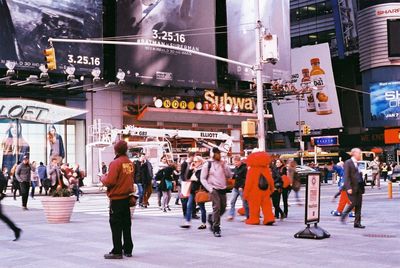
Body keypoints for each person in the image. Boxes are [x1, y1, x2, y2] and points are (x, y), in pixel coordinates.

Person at [101, 140, 134, 259]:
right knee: (126, 224)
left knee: (115, 225)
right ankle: (128, 248)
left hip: (116, 198)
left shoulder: (116, 163)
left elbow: (110, 181)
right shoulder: (129, 163)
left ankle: (117, 251)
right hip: (126, 198)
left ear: (116, 150)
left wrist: (103, 178)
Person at [200, 148, 232, 237]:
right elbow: (202, 178)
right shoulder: (208, 164)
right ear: (212, 154)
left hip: (223, 188)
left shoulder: (223, 163)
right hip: (213, 189)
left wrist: (225, 166)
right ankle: (216, 228)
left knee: (223, 208)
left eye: (219, 153)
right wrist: (210, 189)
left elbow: (229, 175)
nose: (219, 155)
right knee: (217, 208)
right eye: (217, 154)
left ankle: (212, 218)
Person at [243, 151, 275, 226]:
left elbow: (248, 183)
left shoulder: (251, 170)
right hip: (265, 191)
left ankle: (254, 219)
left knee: (254, 206)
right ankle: (269, 218)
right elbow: (270, 180)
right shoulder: (266, 169)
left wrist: (246, 193)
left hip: (254, 192)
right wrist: (272, 189)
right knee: (267, 205)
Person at [341, 148, 366, 228]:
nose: (360, 155)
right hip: (352, 187)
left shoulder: (357, 163)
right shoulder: (348, 162)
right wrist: (348, 187)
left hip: (359, 187)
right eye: (359, 153)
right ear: (354, 153)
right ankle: (344, 214)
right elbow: (346, 176)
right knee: (354, 203)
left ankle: (357, 223)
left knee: (359, 205)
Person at [181, 156, 207, 229]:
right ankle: (187, 222)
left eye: (196, 161)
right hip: (193, 190)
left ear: (200, 162)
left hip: (199, 191)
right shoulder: (194, 169)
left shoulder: (203, 169)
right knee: (189, 205)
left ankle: (203, 223)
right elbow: (187, 177)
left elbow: (200, 180)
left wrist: (195, 177)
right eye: (194, 161)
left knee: (202, 207)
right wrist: (190, 169)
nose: (194, 163)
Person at [227, 156, 248, 221]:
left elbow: (246, 179)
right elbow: (235, 176)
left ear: (239, 161)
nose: (235, 163)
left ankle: (247, 216)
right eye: (234, 162)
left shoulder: (244, 168)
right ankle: (231, 214)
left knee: (244, 202)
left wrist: (242, 186)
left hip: (241, 188)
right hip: (236, 187)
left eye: (236, 162)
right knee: (232, 201)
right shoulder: (236, 168)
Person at [180, 152, 198, 219]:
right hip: (186, 183)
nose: (194, 158)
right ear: (191, 156)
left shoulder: (194, 163)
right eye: (194, 156)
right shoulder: (184, 164)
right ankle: (185, 213)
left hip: (192, 182)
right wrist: (185, 180)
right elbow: (182, 174)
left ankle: (193, 213)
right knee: (185, 199)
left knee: (193, 199)